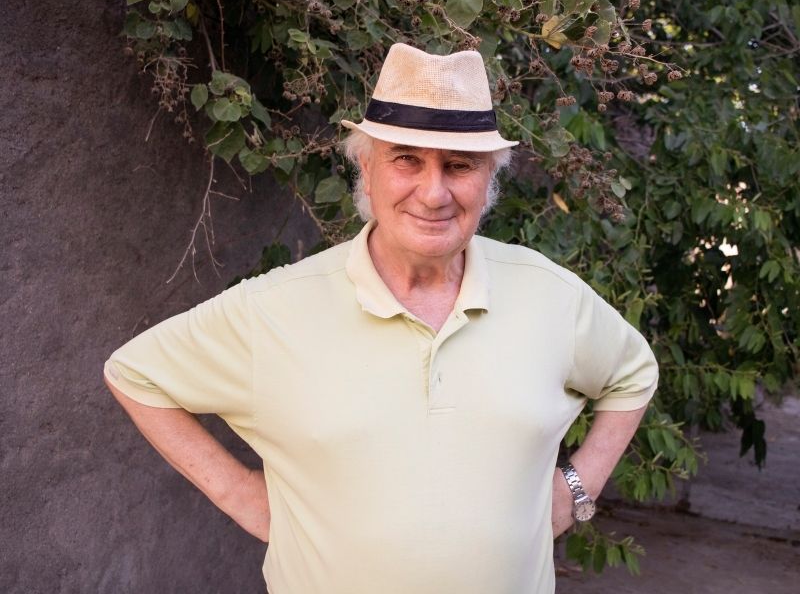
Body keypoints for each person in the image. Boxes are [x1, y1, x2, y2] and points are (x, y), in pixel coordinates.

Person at [104, 42, 658, 594]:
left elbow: (633, 374)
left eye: (459, 165)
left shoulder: (549, 294)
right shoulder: (274, 308)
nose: (434, 193)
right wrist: (242, 496)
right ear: (366, 171)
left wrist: (574, 491)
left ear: (489, 179)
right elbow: (136, 375)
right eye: (406, 159)